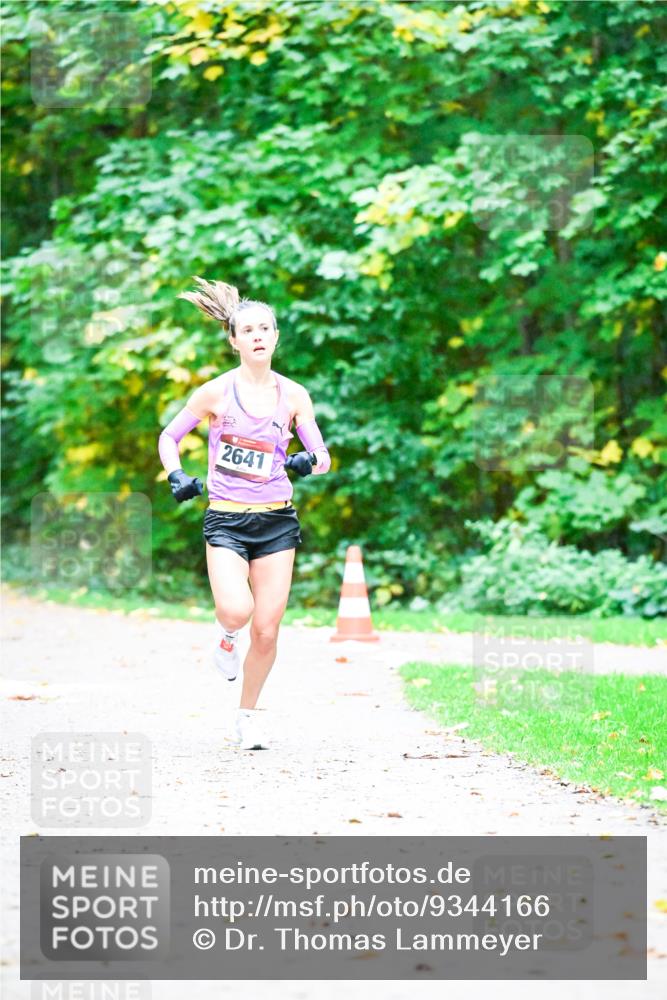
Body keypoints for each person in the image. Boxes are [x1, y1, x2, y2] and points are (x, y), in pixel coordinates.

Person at [157, 277, 331, 750]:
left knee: (269, 629)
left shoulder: (294, 396)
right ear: (233, 340)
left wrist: (305, 461)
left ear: (276, 337)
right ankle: (226, 635)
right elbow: (168, 437)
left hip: (277, 521)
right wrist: (176, 475)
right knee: (237, 609)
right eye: (247, 329)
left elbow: (323, 455)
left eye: (265, 328)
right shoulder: (214, 393)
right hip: (227, 519)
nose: (257, 335)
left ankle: (247, 716)